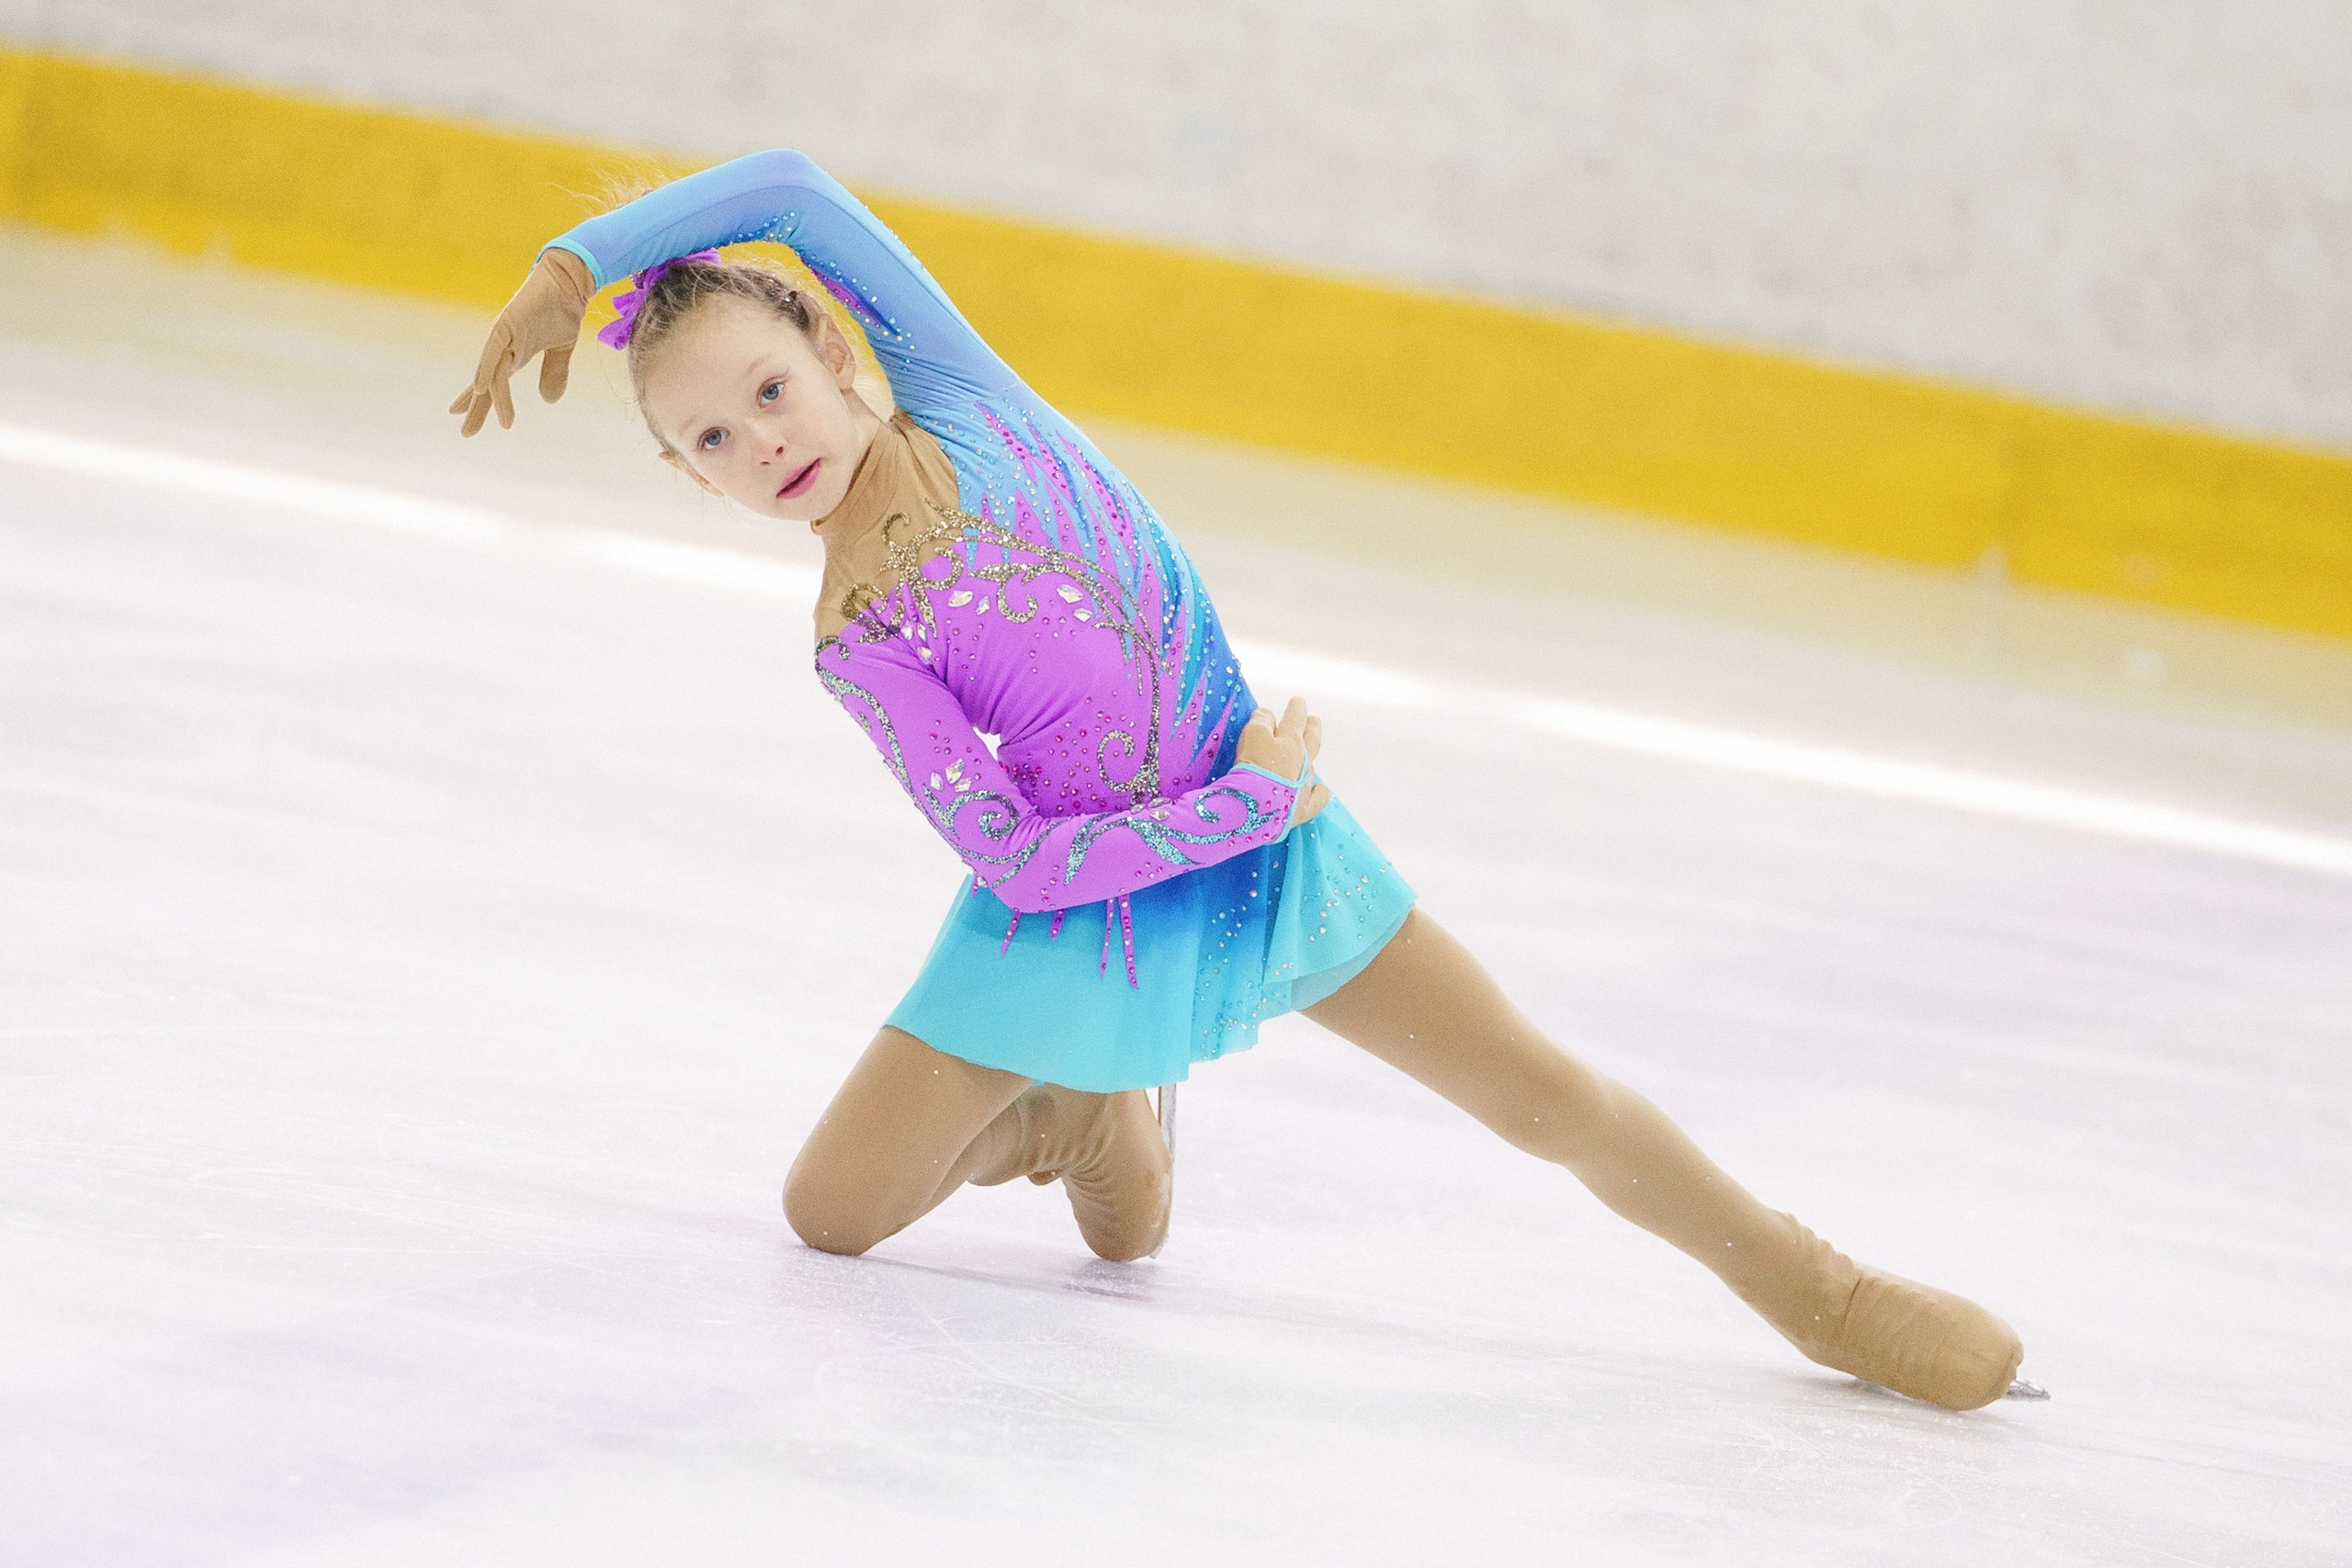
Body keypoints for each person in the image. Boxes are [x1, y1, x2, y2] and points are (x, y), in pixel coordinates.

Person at [449, 150, 2027, 1411]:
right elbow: (1016, 861)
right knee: (832, 1212)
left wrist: (574, 265)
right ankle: (1080, 1124)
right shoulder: (856, 638)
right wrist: (1240, 805)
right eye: (710, 442)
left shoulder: (967, 392)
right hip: (1100, 896)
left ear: (837, 348)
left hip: (1276, 859)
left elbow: (790, 189)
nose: (760, 444)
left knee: (1540, 1093)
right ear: (690, 477)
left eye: (767, 391)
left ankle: (1821, 1292)